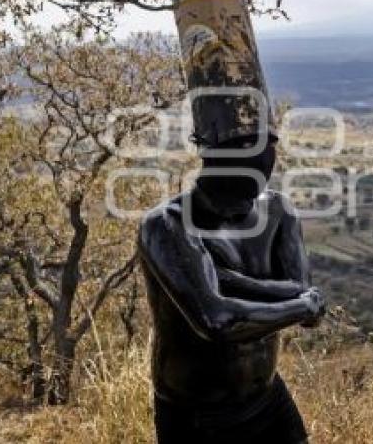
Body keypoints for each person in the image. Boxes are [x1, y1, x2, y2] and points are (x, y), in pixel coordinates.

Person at [137, 133, 325, 444]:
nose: (238, 210)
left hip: (267, 396)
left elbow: (303, 297)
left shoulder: (278, 210)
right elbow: (217, 321)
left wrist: (228, 280)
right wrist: (302, 305)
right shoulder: (167, 224)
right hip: (197, 413)